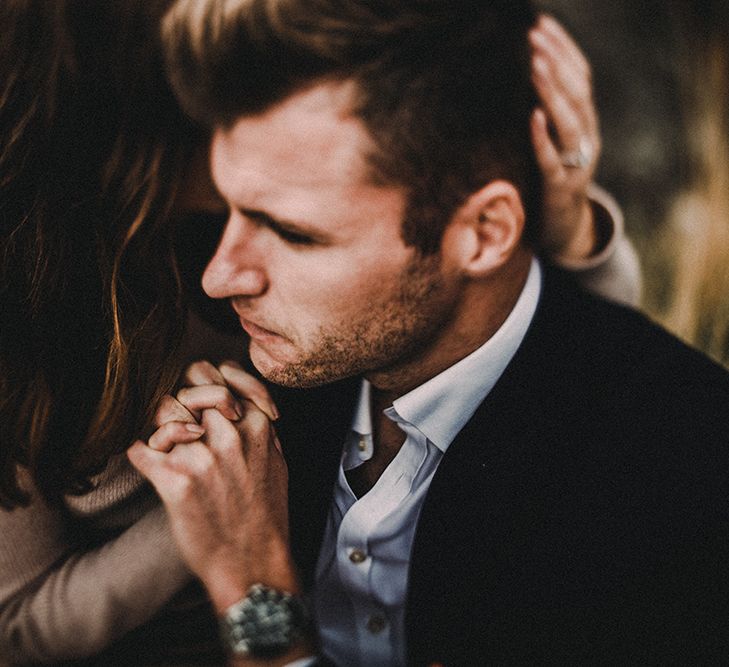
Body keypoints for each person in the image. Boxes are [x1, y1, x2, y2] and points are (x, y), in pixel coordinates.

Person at [0, 2, 635, 665]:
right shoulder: (36, 305)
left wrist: (565, 233)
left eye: (291, 231)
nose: (223, 274)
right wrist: (221, 522)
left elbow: (541, 366)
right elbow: (15, 626)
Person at [131, 0, 729, 665]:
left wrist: (252, 589)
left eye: (294, 233)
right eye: (230, 209)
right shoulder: (244, 360)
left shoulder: (681, 483)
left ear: (483, 233)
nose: (221, 275)